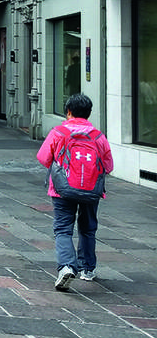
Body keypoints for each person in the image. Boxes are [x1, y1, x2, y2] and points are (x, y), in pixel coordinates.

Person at [36, 93, 114, 291]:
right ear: (88, 113)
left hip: (62, 189)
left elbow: (43, 158)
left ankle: (67, 267)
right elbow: (108, 166)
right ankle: (87, 269)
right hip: (91, 190)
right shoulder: (98, 136)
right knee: (88, 229)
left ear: (68, 112)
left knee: (63, 228)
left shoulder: (59, 132)